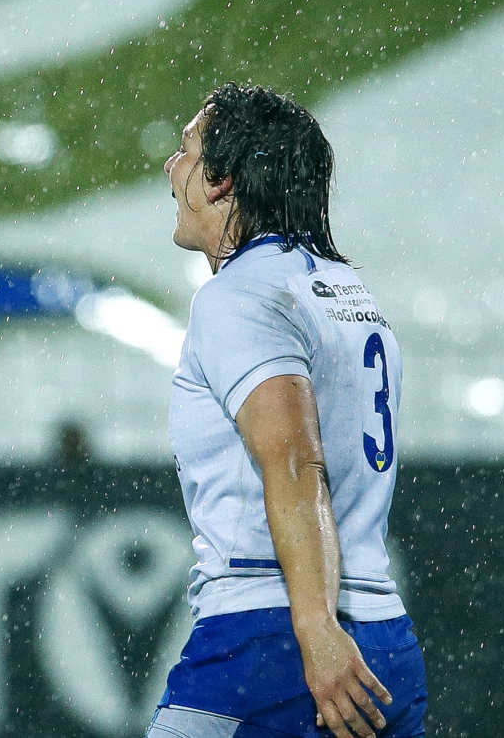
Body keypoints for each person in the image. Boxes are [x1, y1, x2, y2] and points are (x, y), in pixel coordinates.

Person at [151, 84, 428, 738]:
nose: (171, 166)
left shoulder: (241, 294)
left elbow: (297, 458)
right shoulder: (343, 288)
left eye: (186, 150)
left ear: (221, 182)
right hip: (384, 635)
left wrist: (315, 628)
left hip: (277, 642)